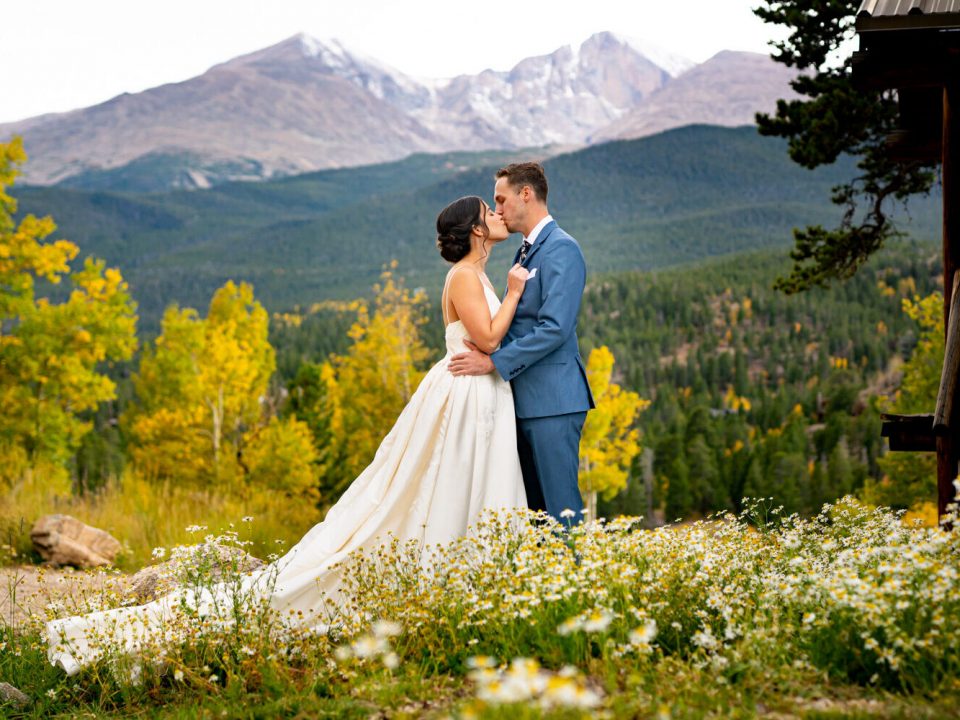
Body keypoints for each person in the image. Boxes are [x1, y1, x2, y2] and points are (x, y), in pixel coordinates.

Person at [46, 196, 529, 675]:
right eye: (488, 211)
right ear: (476, 231)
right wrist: (513, 294)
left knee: (461, 488)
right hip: (463, 395)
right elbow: (486, 339)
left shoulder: (476, 273)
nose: (496, 214)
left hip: (477, 394)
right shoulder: (466, 276)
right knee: (432, 491)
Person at [449, 163, 594, 523]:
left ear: (525, 194)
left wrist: (494, 362)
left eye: (501, 199)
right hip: (524, 400)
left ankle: (576, 579)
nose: (497, 210)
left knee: (560, 509)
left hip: (552, 401)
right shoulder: (526, 252)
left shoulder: (561, 248)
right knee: (536, 515)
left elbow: (555, 328)